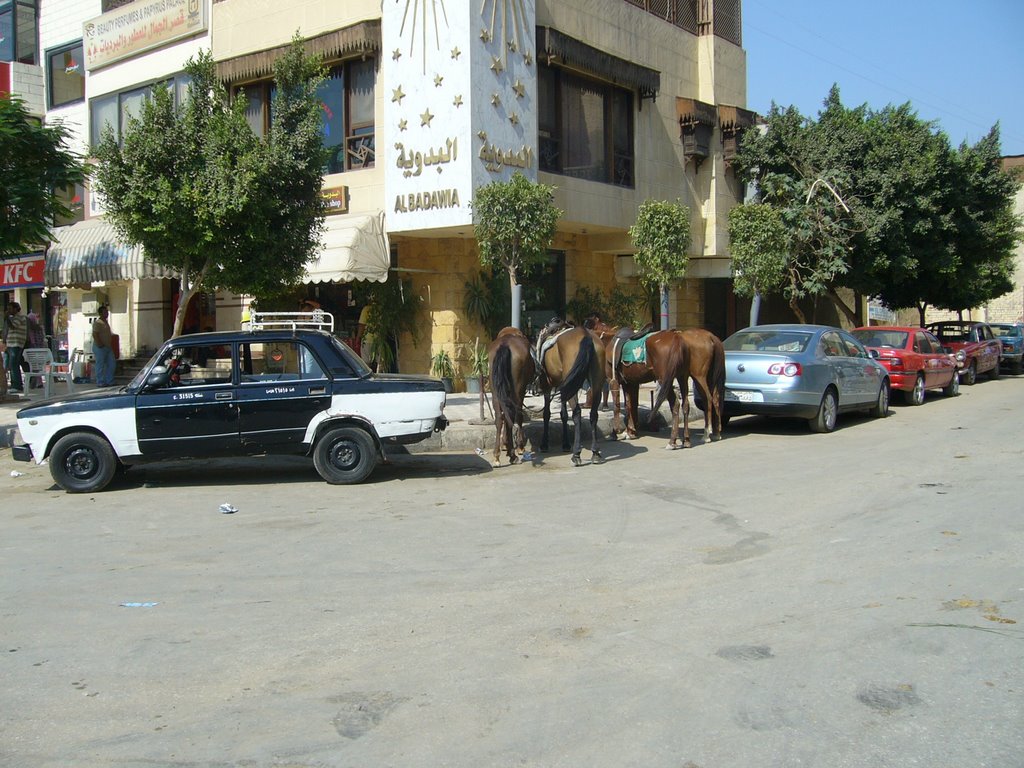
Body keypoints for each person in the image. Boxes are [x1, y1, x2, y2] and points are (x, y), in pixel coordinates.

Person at [3, 302, 28, 393]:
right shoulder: (12, 318)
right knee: (8, 364)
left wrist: (6, 318)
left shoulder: (20, 317)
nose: (9, 311)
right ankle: (9, 383)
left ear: (16, 309)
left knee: (14, 364)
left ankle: (17, 385)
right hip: (10, 344)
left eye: (10, 309)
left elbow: (13, 327)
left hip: (16, 344)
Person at [92, 305, 116, 387]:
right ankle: (100, 381)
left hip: (108, 347)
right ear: (101, 313)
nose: (107, 313)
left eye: (107, 311)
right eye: (105, 312)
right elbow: (95, 334)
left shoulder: (106, 322)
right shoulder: (98, 323)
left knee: (112, 363)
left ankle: (109, 380)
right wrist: (99, 344)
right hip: (100, 347)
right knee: (100, 365)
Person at [355, 298, 377, 370]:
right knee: (380, 363)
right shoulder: (382, 309)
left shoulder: (366, 309)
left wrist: (358, 338)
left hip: (368, 339)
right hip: (379, 340)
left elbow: (362, 325)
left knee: (366, 364)